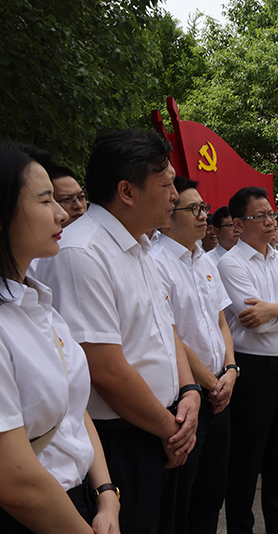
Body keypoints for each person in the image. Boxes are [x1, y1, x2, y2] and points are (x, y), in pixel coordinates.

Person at [36, 129, 201, 534]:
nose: (174, 197)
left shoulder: (141, 246)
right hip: (122, 438)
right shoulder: (83, 252)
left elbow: (166, 330)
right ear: (127, 191)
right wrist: (170, 429)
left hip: (166, 424)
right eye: (165, 186)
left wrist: (189, 391)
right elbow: (104, 368)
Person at [0, 141, 120, 534]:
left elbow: (73, 407)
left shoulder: (40, 304)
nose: (61, 215)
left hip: (80, 496)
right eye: (45, 199)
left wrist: (106, 494)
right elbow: (17, 484)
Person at [217, 186, 278, 534]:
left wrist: (275, 308)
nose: (271, 221)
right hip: (254, 372)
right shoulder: (230, 264)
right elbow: (252, 322)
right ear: (239, 225)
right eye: (260, 216)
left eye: (272, 214)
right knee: (247, 457)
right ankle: (240, 526)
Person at [151, 177, 237, 534]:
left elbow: (220, 318)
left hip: (221, 388)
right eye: (195, 209)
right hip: (189, 396)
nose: (205, 215)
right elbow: (169, 334)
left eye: (205, 208)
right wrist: (208, 381)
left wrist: (230, 368)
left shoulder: (203, 259)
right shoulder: (155, 262)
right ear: (168, 216)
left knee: (211, 491)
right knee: (181, 499)